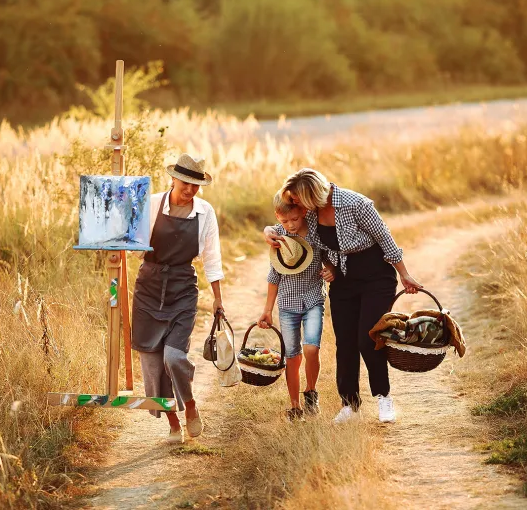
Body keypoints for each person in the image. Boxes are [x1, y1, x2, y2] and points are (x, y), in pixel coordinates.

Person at [263, 169, 423, 424]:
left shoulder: (356, 204)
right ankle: (349, 404)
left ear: (310, 195)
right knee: (345, 343)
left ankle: (383, 397)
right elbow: (287, 224)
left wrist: (404, 274)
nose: (296, 206)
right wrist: (267, 230)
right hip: (343, 281)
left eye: (297, 200)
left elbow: (385, 237)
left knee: (367, 339)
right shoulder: (311, 213)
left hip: (375, 277)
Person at [132, 153, 224, 444]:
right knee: (152, 363)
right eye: (185, 183)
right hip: (148, 287)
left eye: (196, 185)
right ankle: (173, 423)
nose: (190, 190)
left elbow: (211, 258)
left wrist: (219, 299)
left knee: (174, 356)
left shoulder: (205, 212)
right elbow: (131, 244)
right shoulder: (152, 204)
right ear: (173, 178)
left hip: (183, 288)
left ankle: (191, 404)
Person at [257, 193, 335, 421]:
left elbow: (329, 255)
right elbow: (274, 277)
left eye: (294, 219)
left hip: (313, 298)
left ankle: (311, 391)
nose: (290, 226)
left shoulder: (315, 229)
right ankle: (295, 405)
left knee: (311, 348)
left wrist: (331, 269)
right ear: (278, 218)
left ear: (303, 212)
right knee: (292, 355)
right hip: (288, 304)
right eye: (284, 222)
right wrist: (268, 310)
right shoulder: (279, 237)